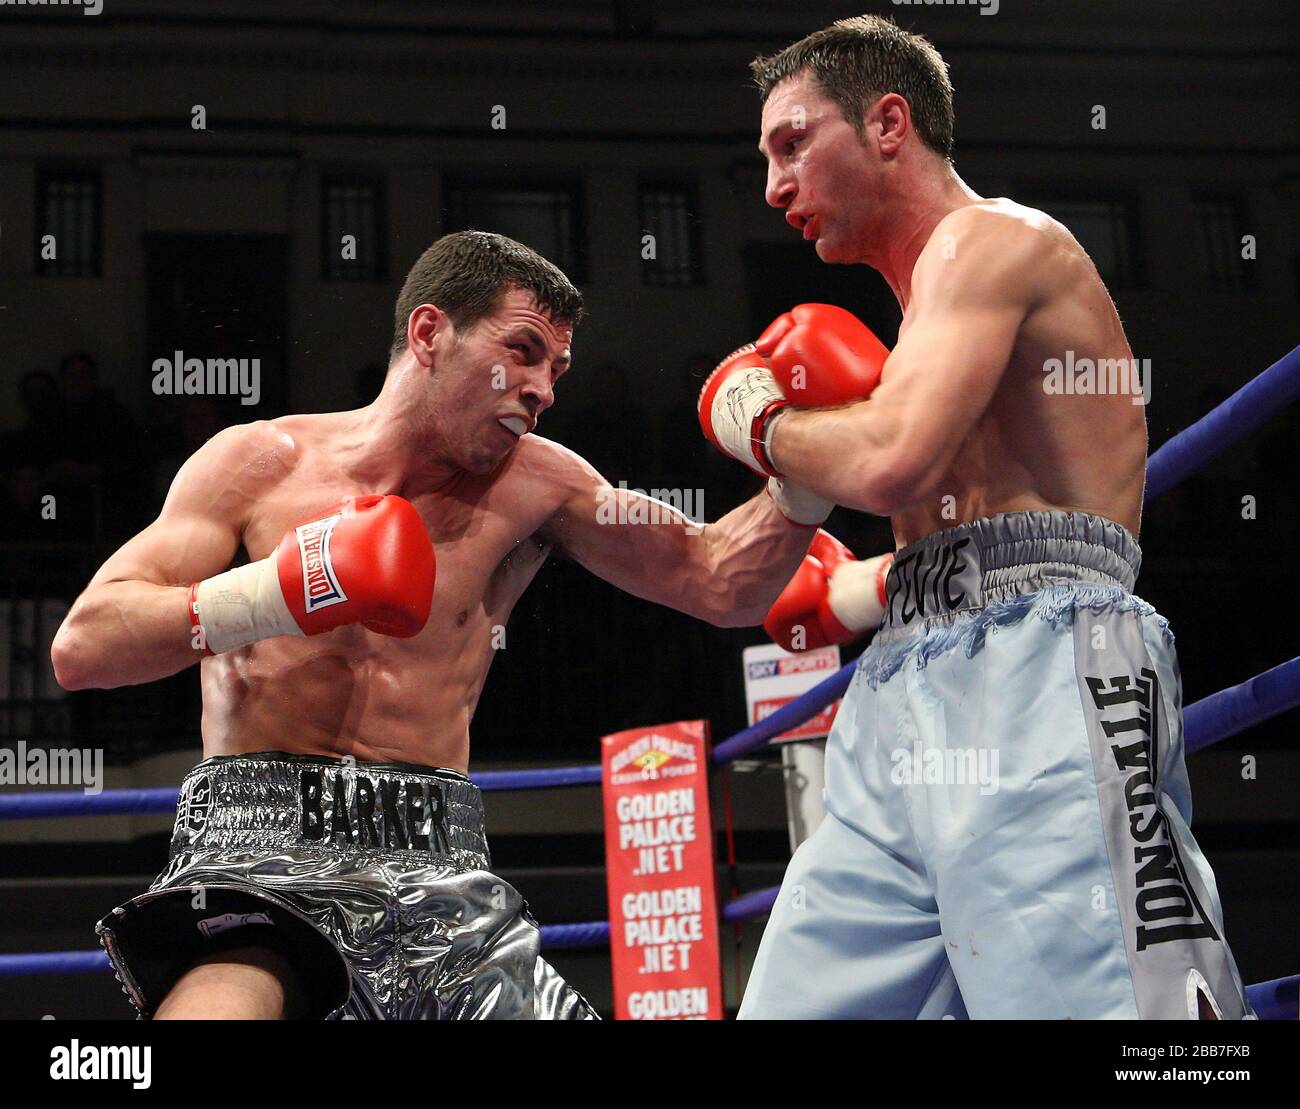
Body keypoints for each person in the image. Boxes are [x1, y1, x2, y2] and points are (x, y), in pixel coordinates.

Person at [51, 230, 846, 1020]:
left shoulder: (542, 485)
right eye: (524, 351)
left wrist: (802, 458)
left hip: (441, 877)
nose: (544, 389)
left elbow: (716, 578)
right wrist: (283, 591)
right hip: (255, 854)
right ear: (430, 333)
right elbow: (84, 645)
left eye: (557, 370)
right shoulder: (257, 463)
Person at [703, 15, 1251, 1019]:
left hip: (1047, 684)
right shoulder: (921, 331)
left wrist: (758, 420)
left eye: (791, 143)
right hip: (905, 696)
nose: (773, 183)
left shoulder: (995, 240)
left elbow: (888, 459)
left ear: (887, 123)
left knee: (1118, 1012)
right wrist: (851, 590)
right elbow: (970, 539)